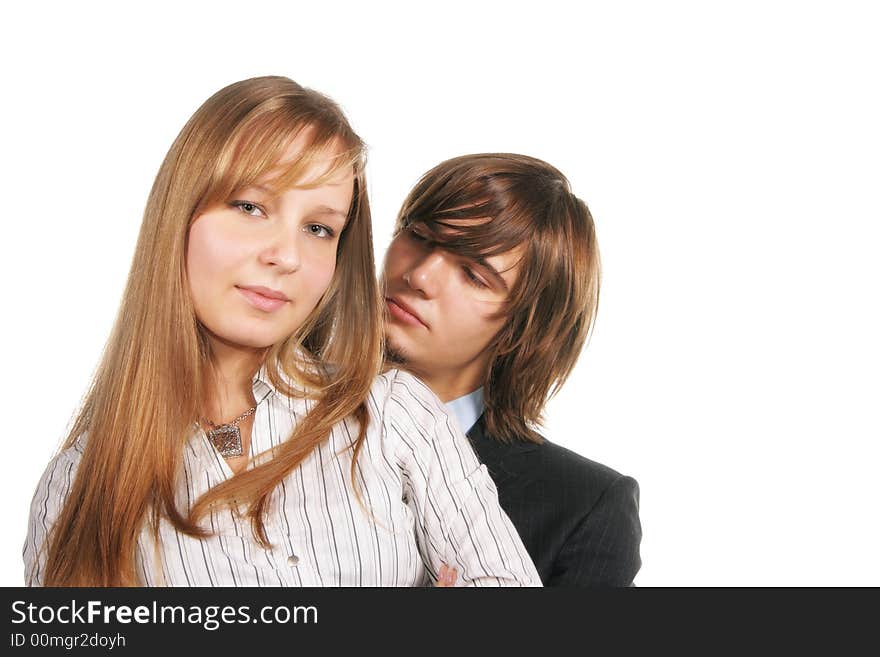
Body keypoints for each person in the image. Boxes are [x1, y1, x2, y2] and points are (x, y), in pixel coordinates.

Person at [23, 78, 540, 587]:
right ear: (178, 213)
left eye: (319, 229)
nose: (287, 256)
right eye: (251, 207)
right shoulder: (74, 489)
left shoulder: (393, 412)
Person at [382, 154, 642, 586]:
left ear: (522, 327)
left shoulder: (582, 505)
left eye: (473, 275)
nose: (420, 276)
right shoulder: (267, 410)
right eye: (420, 236)